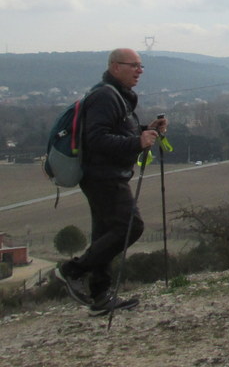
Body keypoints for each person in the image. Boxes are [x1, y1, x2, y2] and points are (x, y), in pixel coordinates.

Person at [53, 48, 168, 315]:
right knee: (131, 227)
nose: (140, 71)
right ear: (115, 67)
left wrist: (145, 131)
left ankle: (100, 297)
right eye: (134, 66)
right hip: (104, 177)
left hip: (104, 175)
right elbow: (97, 139)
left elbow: (117, 133)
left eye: (141, 66)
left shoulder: (117, 96)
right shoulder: (106, 96)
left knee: (105, 235)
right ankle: (73, 270)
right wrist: (138, 142)